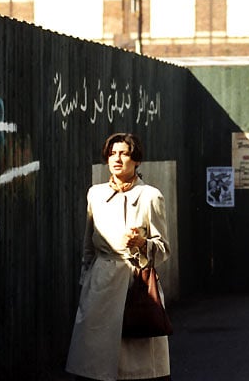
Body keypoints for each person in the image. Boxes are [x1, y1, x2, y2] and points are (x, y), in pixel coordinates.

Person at [66, 133, 171, 381]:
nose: (117, 158)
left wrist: (142, 243)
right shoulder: (95, 194)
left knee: (137, 363)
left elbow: (164, 248)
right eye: (112, 153)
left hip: (136, 285)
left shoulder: (150, 196)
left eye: (124, 153)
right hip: (100, 285)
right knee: (95, 362)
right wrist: (87, 280)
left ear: (136, 160)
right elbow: (88, 244)